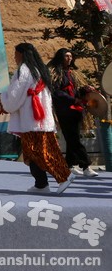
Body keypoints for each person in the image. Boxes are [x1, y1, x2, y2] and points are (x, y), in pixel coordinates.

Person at [0, 42, 73, 194]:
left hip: (31, 119)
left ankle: (65, 176)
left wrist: (2, 99)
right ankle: (41, 184)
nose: (14, 57)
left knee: (38, 152)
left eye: (16, 54)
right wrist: (5, 102)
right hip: (41, 118)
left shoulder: (24, 70)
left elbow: (15, 96)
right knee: (34, 153)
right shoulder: (40, 69)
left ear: (22, 54)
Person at [47, 48, 98, 177]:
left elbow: (77, 90)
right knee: (74, 139)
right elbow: (56, 92)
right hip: (64, 110)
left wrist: (86, 89)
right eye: (66, 56)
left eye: (70, 56)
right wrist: (73, 99)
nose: (69, 58)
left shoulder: (73, 73)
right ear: (60, 57)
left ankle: (69, 165)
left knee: (72, 138)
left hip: (76, 109)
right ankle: (86, 166)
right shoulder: (55, 73)